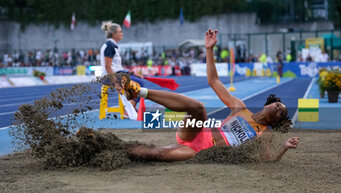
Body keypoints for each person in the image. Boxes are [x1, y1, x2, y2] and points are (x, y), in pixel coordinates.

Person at [105, 29, 299, 162]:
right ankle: (139, 91)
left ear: (276, 121)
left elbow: (266, 160)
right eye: (277, 105)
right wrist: (209, 49)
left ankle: (108, 151)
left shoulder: (264, 135)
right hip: (197, 131)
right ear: (268, 104)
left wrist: (283, 147)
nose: (277, 107)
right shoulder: (240, 107)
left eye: (281, 111)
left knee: (157, 154)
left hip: (201, 151)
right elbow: (213, 81)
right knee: (199, 109)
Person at [100, 21, 144, 110]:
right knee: (140, 83)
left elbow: (117, 67)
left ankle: (129, 107)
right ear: (114, 34)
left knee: (138, 80)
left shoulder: (113, 46)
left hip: (117, 75)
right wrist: (116, 82)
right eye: (120, 31)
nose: (122, 33)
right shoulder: (110, 46)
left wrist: (132, 73)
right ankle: (130, 108)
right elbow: (108, 67)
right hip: (109, 77)